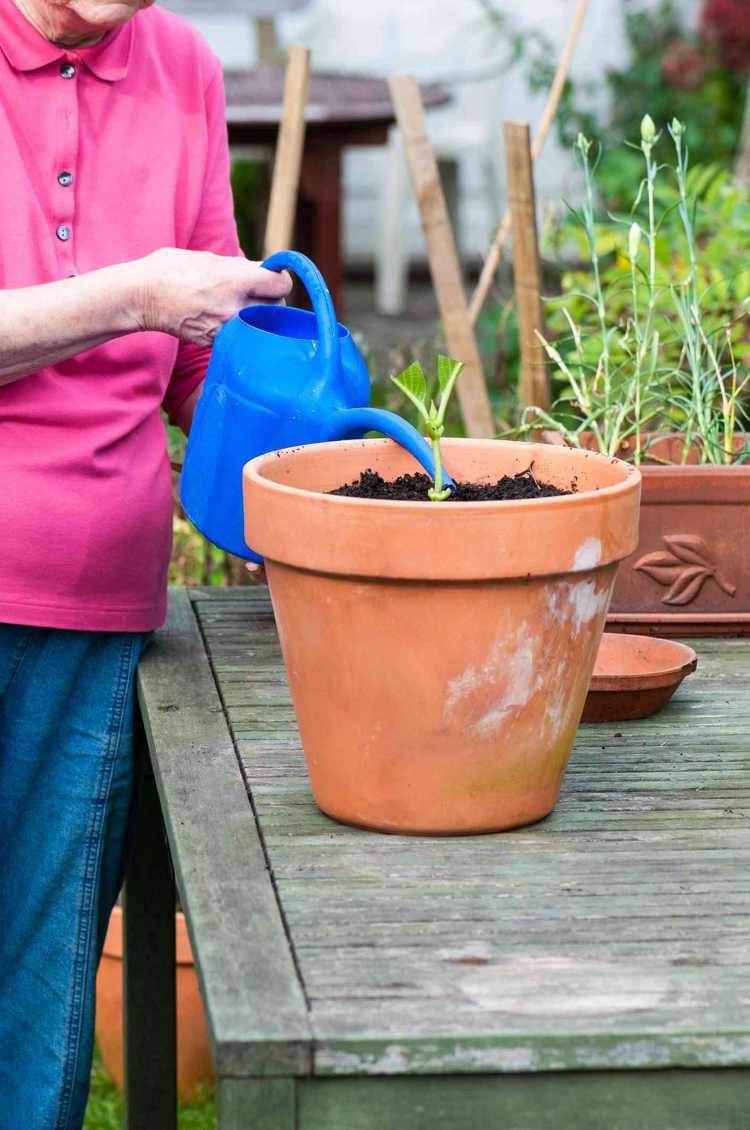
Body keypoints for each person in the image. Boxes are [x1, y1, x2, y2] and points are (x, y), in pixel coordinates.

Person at [0, 1, 289, 1125]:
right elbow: (157, 300)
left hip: (96, 607)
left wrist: (288, 488)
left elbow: (192, 358)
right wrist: (136, 294)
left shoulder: (183, 67)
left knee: (42, 995)